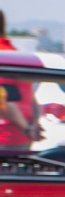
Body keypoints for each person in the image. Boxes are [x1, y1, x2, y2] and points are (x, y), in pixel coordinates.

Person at [0, 10, 41, 149]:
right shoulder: (15, 54)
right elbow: (34, 103)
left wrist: (27, 129)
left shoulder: (2, 57)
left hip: (5, 138)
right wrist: (32, 127)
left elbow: (6, 101)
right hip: (22, 138)